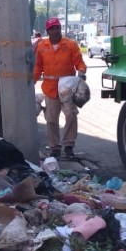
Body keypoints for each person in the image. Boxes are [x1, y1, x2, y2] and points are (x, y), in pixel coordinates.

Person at [33, 16, 87, 159]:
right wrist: (31, 81)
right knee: (51, 119)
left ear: (60, 28)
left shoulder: (70, 45)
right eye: (52, 29)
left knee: (71, 114)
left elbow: (79, 62)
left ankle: (68, 144)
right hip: (50, 89)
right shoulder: (42, 47)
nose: (55, 31)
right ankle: (54, 147)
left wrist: (81, 72)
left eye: (57, 28)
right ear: (48, 31)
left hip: (68, 89)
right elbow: (38, 67)